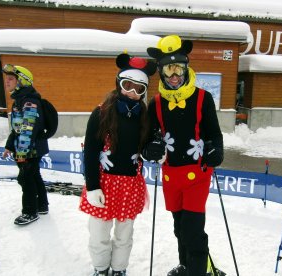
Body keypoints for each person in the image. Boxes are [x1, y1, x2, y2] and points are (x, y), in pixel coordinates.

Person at [143, 35, 224, 276]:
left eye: (179, 68)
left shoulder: (202, 98)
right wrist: (149, 150)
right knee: (179, 228)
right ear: (161, 72)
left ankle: (199, 271)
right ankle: (186, 266)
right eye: (169, 69)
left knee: (192, 229)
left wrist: (215, 150)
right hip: (171, 176)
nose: (174, 75)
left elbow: (215, 134)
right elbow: (146, 140)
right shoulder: (155, 103)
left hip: (197, 174)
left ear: (186, 68)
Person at [79, 53, 156, 276]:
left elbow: (149, 145)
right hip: (103, 183)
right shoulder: (102, 112)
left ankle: (119, 268)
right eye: (128, 85)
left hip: (130, 184)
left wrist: (155, 151)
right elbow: (91, 151)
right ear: (118, 83)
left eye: (139, 88)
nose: (132, 92)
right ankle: (101, 268)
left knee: (124, 234)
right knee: (99, 232)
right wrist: (92, 185)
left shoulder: (144, 115)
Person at [2, 64, 49, 225]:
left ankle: (30, 212)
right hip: (28, 148)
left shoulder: (29, 101)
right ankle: (42, 205)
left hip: (31, 150)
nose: (6, 82)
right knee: (34, 175)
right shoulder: (20, 100)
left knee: (26, 178)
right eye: (6, 79)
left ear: (21, 81)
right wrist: (10, 146)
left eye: (10, 79)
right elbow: (17, 129)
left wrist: (21, 153)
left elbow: (28, 129)